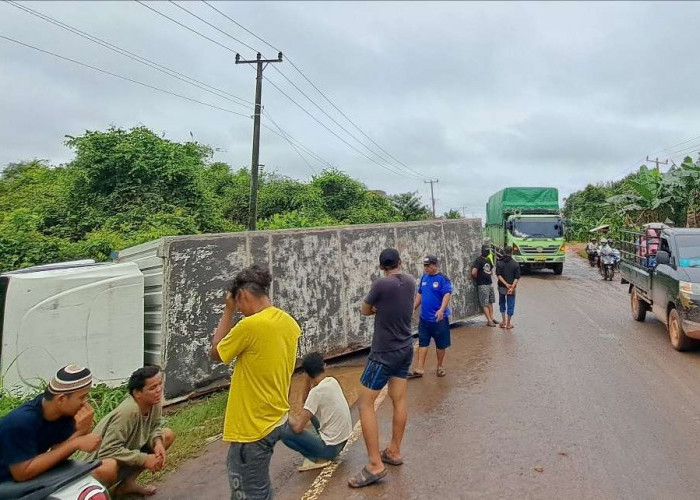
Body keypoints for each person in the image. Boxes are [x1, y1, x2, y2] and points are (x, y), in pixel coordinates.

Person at [210, 265, 301, 500]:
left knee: (251, 494)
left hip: (251, 429)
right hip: (274, 419)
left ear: (244, 296)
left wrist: (227, 311)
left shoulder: (250, 326)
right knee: (258, 488)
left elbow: (216, 353)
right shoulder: (288, 322)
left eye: (238, 303)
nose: (239, 309)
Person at [349, 248, 415, 488]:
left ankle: (375, 465)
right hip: (405, 348)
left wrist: (376, 309)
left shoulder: (380, 285)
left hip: (383, 353)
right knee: (399, 400)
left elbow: (365, 310)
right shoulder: (410, 281)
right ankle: (394, 451)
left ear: (381, 267)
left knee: (365, 403)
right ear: (400, 261)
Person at [80, 366, 175, 497]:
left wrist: (157, 442)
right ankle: (96, 495)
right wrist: (144, 459)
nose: (159, 390)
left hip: (124, 453)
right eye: (153, 388)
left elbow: (154, 427)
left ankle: (127, 484)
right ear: (137, 393)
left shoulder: (154, 401)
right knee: (110, 466)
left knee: (167, 434)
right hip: (92, 466)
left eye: (160, 384)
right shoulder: (128, 412)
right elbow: (107, 450)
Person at [0, 365, 101, 483]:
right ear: (61, 399)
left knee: (105, 468)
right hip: (6, 481)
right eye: (82, 397)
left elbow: (56, 454)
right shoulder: (20, 422)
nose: (85, 403)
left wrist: (81, 431)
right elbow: (22, 473)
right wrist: (75, 443)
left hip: (30, 476)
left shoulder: (63, 414)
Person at [281, 352, 352, 472]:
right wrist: (308, 377)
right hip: (342, 442)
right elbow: (305, 401)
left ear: (307, 373)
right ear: (324, 366)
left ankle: (317, 458)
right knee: (310, 412)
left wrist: (284, 416)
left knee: (284, 432)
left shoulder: (316, 393)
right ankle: (320, 452)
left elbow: (298, 428)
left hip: (330, 449)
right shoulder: (332, 381)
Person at [407, 255, 453, 378]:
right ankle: (420, 368)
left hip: (439, 319)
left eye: (428, 265)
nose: (426, 268)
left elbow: (447, 294)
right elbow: (420, 294)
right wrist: (413, 307)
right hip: (425, 319)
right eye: (424, 265)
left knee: (441, 345)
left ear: (435, 265)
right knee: (423, 343)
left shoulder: (443, 279)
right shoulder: (424, 278)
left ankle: (440, 366)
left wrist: (442, 310)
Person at [472, 246, 498, 327]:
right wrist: (478, 277)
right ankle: (490, 320)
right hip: (484, 284)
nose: (487, 252)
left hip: (488, 284)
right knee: (485, 303)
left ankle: (492, 318)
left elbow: (491, 269)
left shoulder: (488, 259)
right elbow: (473, 272)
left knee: (489, 302)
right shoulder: (479, 260)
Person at [496, 246, 521, 330]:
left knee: (502, 303)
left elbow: (498, 275)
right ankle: (508, 323)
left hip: (502, 287)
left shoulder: (499, 263)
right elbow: (517, 277)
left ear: (504, 252)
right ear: (512, 253)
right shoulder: (515, 264)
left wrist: (506, 284)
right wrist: (512, 286)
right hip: (511, 289)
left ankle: (503, 321)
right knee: (511, 304)